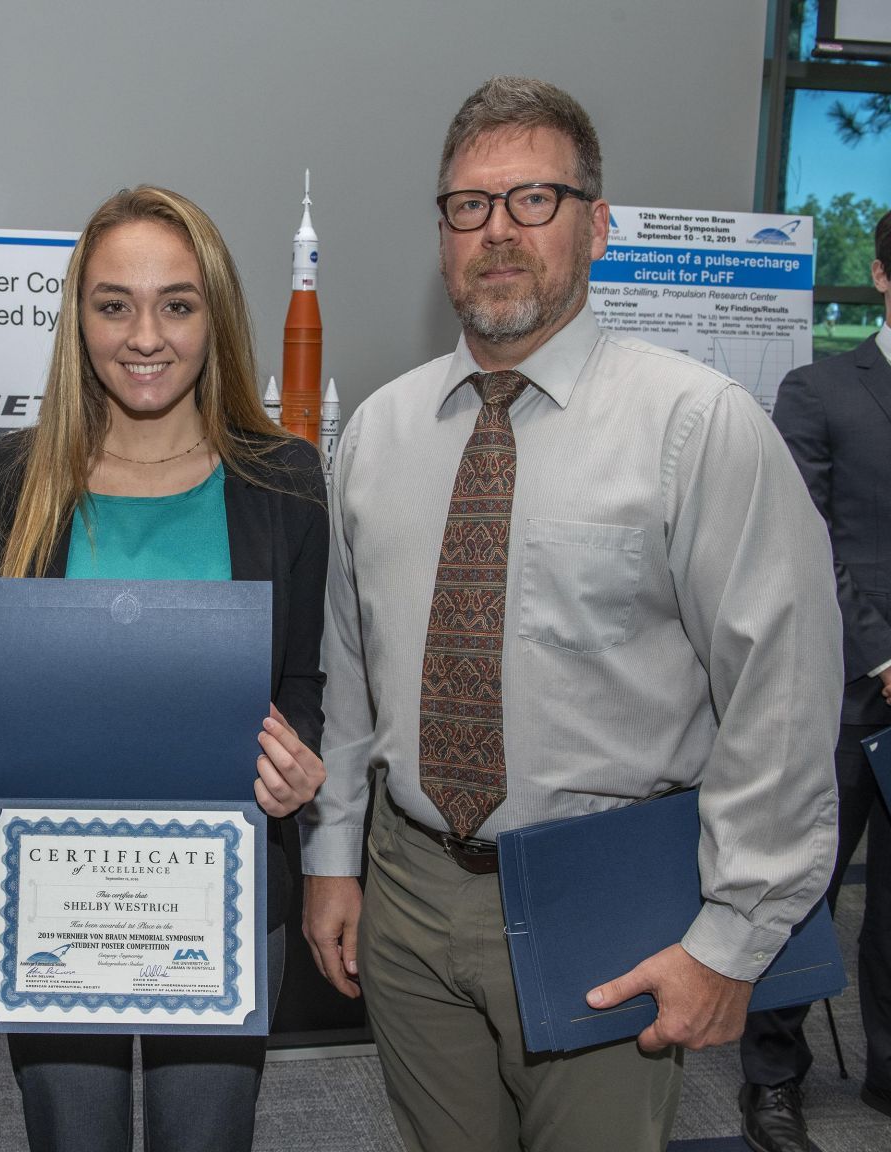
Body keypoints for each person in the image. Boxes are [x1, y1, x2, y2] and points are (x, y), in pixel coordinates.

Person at [298, 76, 842, 1152]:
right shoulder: (377, 434)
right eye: (469, 205)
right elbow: (351, 671)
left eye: (533, 199)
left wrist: (734, 938)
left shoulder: (698, 429)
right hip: (408, 905)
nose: (498, 232)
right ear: (442, 233)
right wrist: (333, 857)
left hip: (607, 904)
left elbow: (781, 701)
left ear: (596, 225)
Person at [0, 185, 329, 1152]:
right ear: (80, 319)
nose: (145, 335)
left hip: (224, 900)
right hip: (59, 898)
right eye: (115, 304)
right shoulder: (16, 475)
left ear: (214, 316)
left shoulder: (282, 477)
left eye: (177, 304)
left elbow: (303, 680)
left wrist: (302, 765)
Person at [738, 209, 891, 1152]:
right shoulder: (821, 390)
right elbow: (810, 542)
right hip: (841, 693)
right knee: (804, 896)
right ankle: (771, 1083)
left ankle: (885, 1072)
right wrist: (880, 651)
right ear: (880, 276)